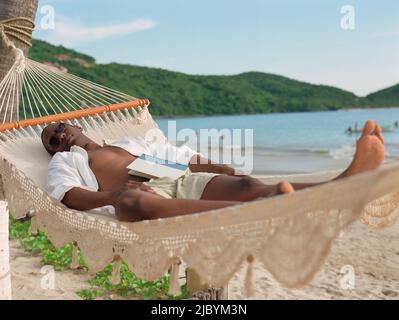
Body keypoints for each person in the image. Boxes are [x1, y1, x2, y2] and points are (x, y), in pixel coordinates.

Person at [41, 120, 385, 222]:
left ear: (74, 124)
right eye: (53, 141)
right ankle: (267, 211)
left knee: (248, 182)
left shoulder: (129, 140)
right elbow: (68, 195)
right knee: (133, 205)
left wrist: (217, 166)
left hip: (176, 177)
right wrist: (113, 196)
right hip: (143, 193)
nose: (59, 136)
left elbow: (177, 156)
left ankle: (345, 182)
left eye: (58, 128)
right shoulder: (67, 162)